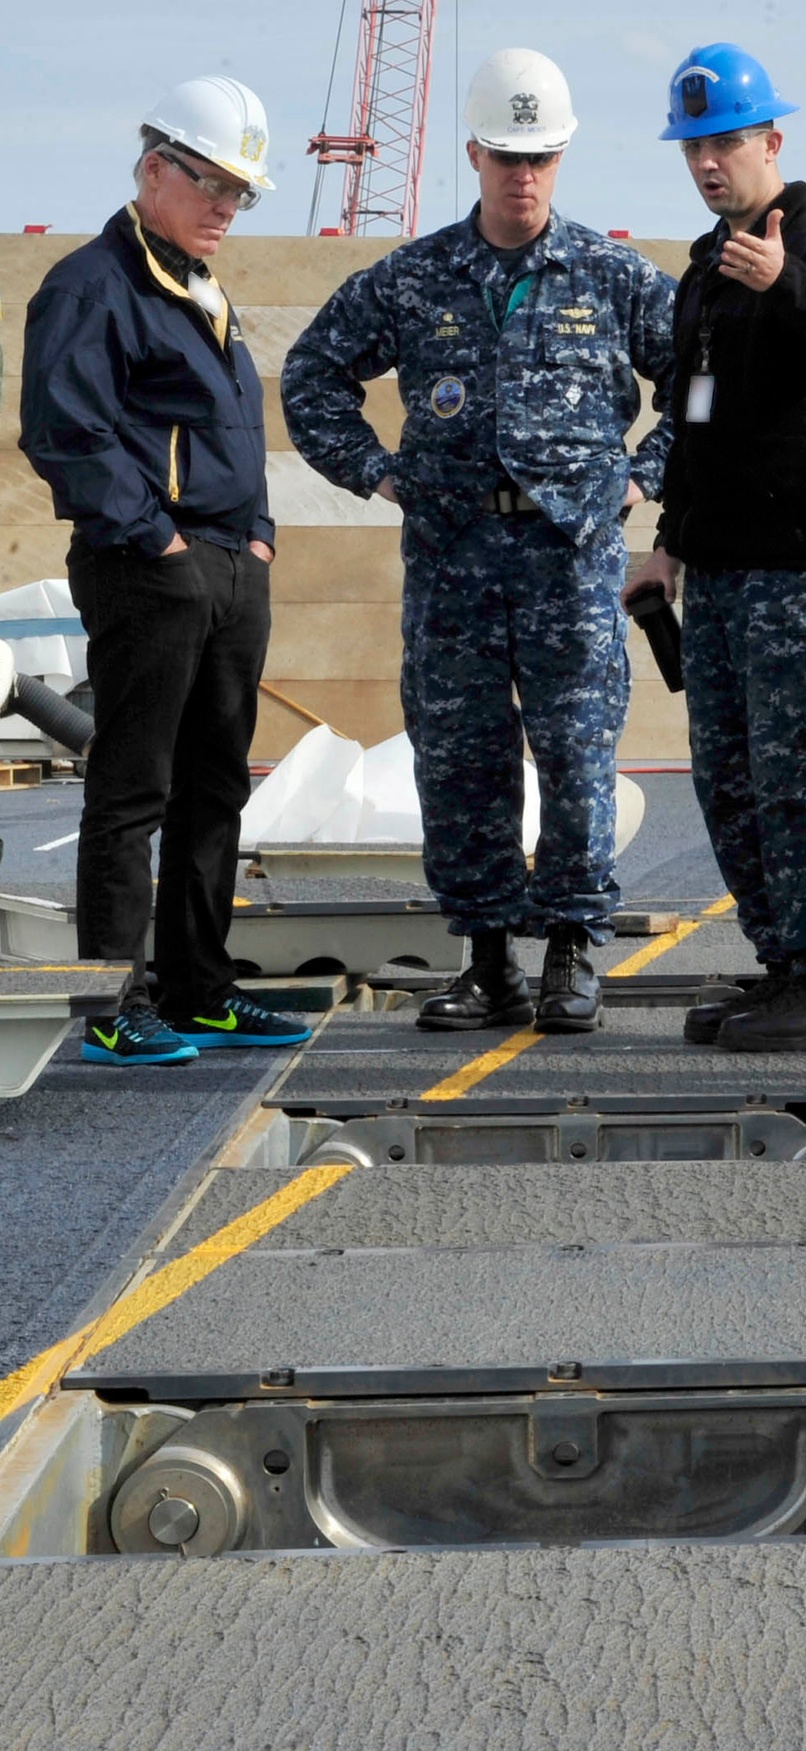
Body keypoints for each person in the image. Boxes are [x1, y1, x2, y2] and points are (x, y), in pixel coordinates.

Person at [282, 48, 676, 1034]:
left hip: (569, 559)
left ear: (564, 152)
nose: (523, 175)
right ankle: (491, 962)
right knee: (462, 763)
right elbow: (312, 374)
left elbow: (707, 384)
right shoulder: (416, 278)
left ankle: (573, 953)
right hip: (453, 562)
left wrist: (647, 472)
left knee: (577, 760)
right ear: (473, 153)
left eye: (540, 155)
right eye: (506, 155)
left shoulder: (614, 275)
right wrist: (376, 472)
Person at [20, 76, 310, 1066]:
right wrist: (159, 541)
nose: (228, 205)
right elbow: (64, 429)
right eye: (213, 183)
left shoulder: (199, 281)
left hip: (229, 567)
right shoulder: (92, 285)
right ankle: (111, 1003)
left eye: (242, 192)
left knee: (213, 789)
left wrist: (258, 535)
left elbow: (234, 432)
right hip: (151, 568)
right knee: (132, 787)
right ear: (155, 169)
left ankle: (199, 993)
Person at [624, 42, 806, 1053]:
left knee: (803, 774)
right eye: (694, 145)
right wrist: (666, 547)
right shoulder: (703, 273)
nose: (708, 162)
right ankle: (785, 966)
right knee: (728, 777)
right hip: (725, 574)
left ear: (771, 141)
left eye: (727, 141)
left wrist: (786, 281)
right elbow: (694, 421)